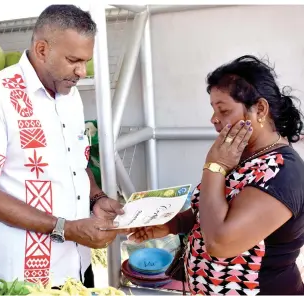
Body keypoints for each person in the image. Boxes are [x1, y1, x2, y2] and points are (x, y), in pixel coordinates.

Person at [0, 5, 123, 287]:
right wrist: (66, 228)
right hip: (21, 277)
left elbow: (76, 165)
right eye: (74, 59)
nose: (82, 71)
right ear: (42, 49)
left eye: (85, 61)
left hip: (78, 265)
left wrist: (96, 198)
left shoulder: (70, 96)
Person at [127, 55, 304, 295]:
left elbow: (221, 243)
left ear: (260, 109)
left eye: (224, 110)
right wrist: (172, 224)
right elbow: (211, 211)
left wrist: (214, 166)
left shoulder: (282, 172)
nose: (214, 119)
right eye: (213, 109)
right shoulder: (241, 156)